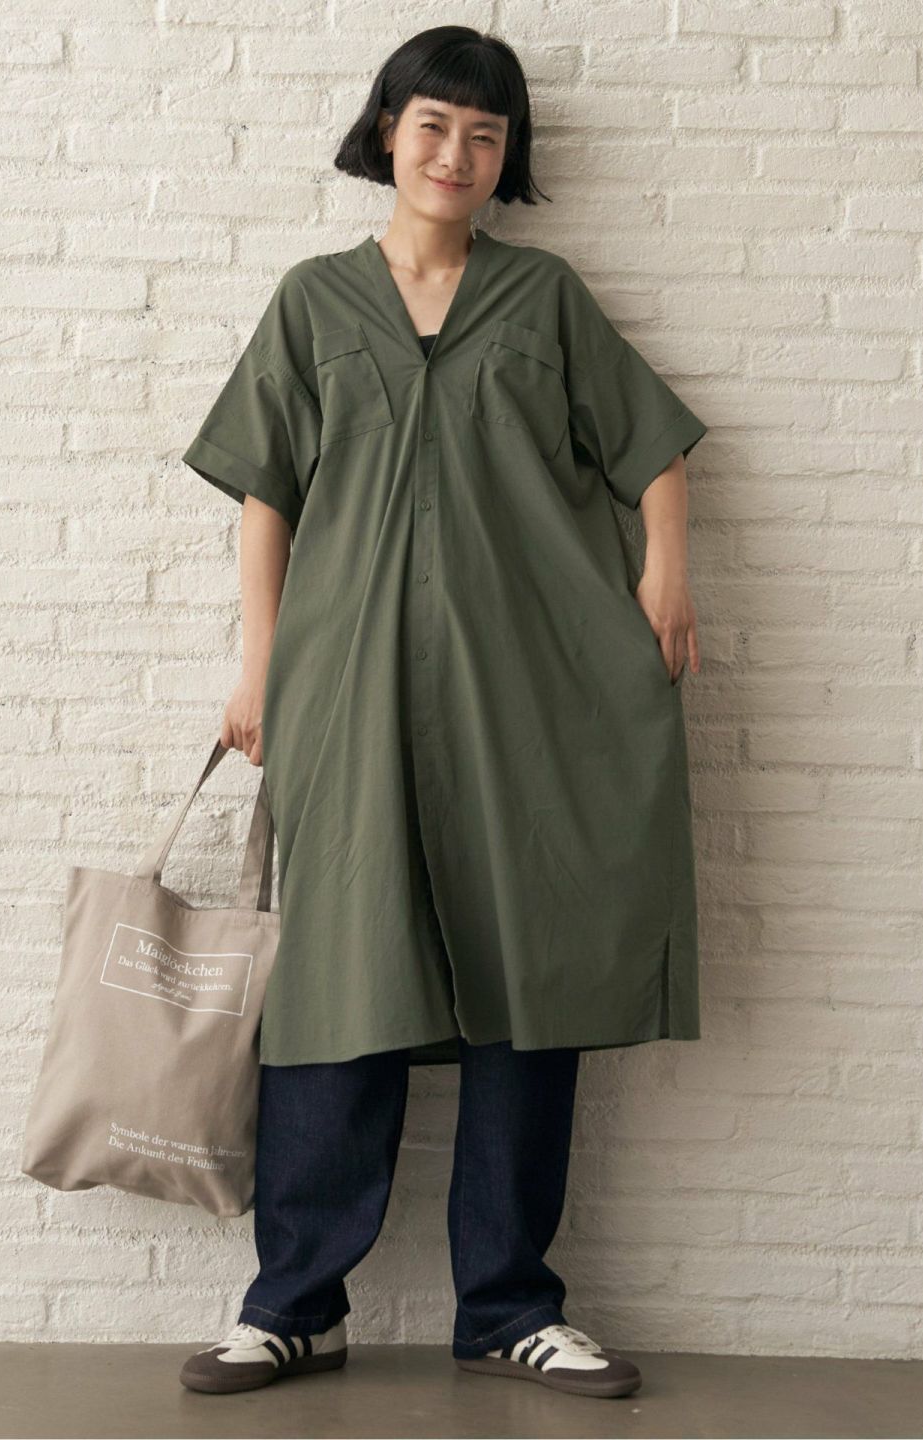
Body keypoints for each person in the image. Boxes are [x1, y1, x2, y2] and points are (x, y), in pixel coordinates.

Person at [177, 24, 707, 1403]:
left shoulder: (544, 300)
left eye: (485, 133)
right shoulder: (313, 303)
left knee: (528, 978)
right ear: (386, 133)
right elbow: (266, 497)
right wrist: (258, 666)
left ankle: (510, 1308)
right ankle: (294, 1305)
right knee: (337, 984)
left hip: (529, 701)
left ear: (506, 155)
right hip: (347, 692)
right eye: (433, 126)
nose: (457, 154)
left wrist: (665, 572)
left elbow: (652, 449)